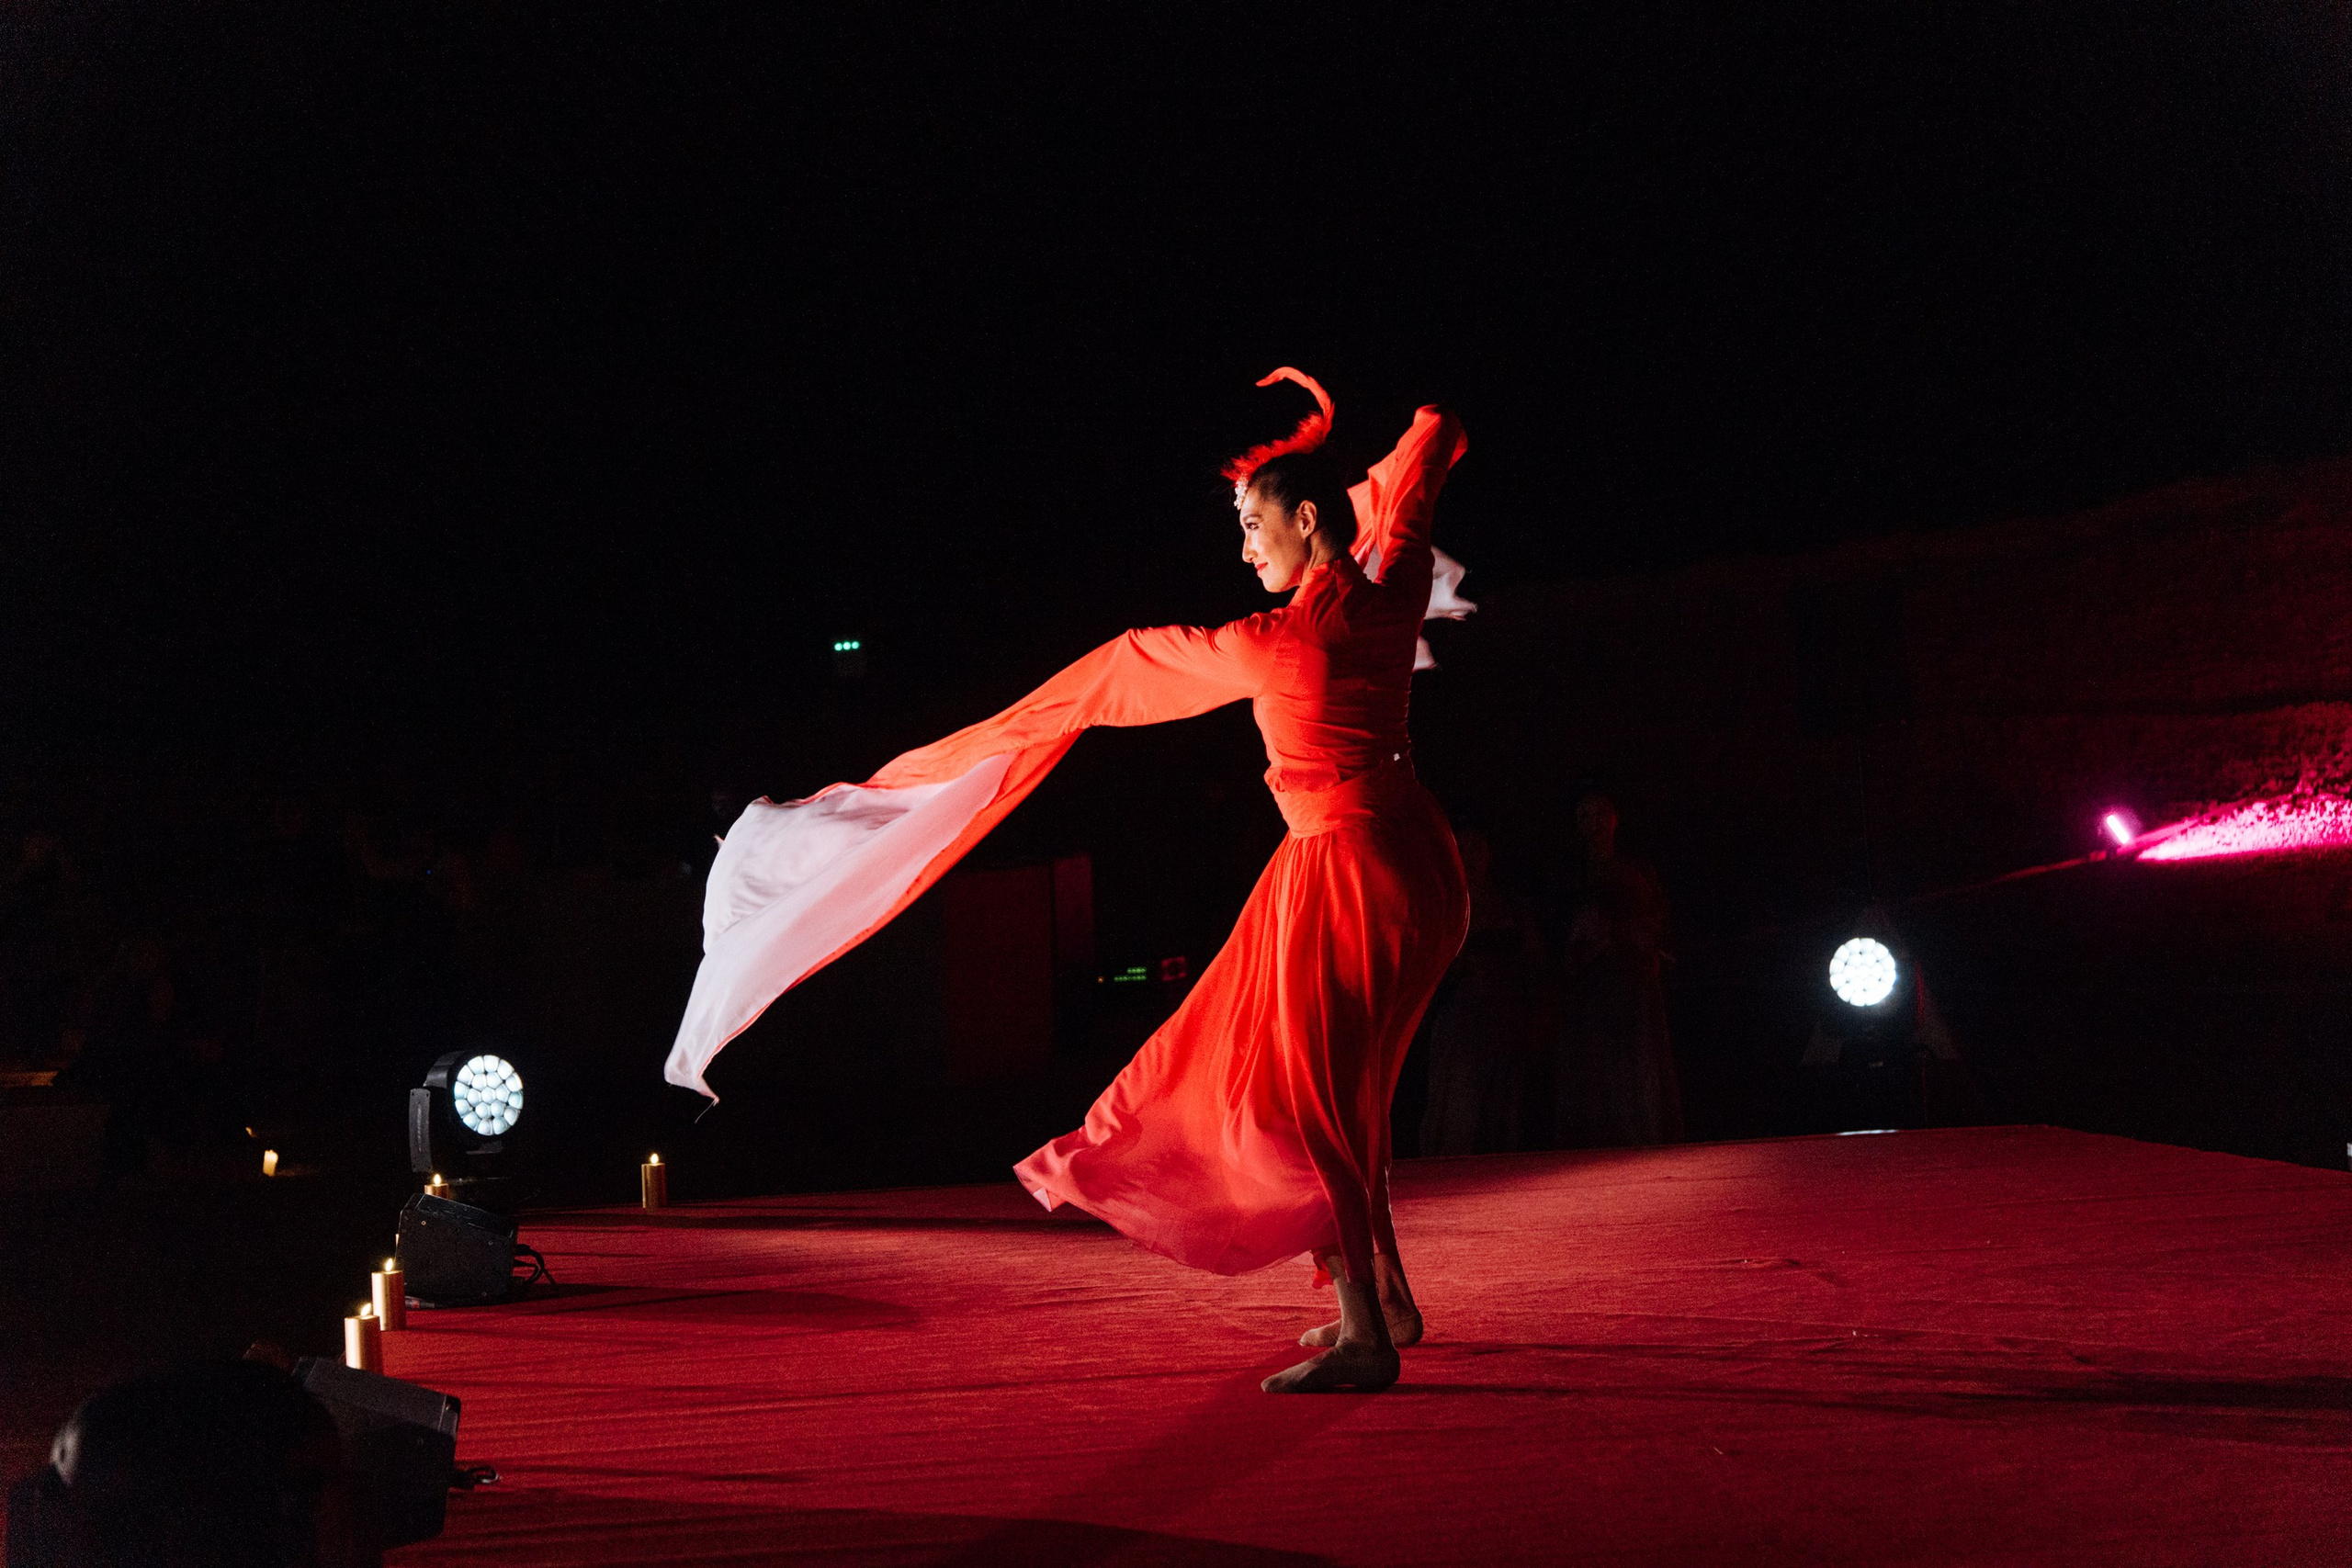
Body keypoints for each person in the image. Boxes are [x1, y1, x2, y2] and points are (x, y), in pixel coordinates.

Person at [667, 370, 1471, 1393]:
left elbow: (1130, 667)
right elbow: (1423, 467)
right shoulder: (1396, 582)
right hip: (1422, 865)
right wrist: (1412, 443)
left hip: (1342, 873)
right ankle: (1384, 1297)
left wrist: (999, 743)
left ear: (1305, 519)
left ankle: (1366, 1332)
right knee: (1349, 1087)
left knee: (1312, 1096)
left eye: (1252, 524)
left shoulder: (1277, 647)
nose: (1243, 548)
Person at [1546, 788, 1683, 1147]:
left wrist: (1634, 938)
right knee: (1595, 1062)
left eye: (1599, 815)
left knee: (1638, 1060)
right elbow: (1562, 934)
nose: (1593, 824)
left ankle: (1643, 1137)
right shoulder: (1570, 876)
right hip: (1590, 984)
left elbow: (1658, 921)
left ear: (1614, 820)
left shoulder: (1637, 870)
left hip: (1633, 978)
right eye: (1584, 816)